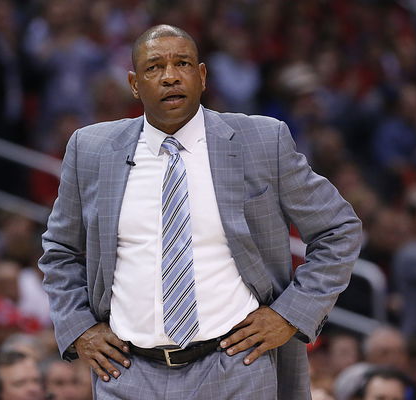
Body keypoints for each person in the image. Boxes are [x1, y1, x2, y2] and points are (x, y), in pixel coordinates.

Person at [39, 24, 361, 399]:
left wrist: (290, 314)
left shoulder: (262, 140)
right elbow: (60, 251)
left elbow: (338, 229)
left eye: (183, 63)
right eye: (154, 67)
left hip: (238, 365)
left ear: (202, 75)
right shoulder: (91, 149)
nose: (170, 76)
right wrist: (79, 327)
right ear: (133, 83)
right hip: (127, 372)